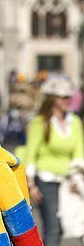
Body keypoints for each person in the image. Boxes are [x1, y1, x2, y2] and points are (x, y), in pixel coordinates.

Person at [25, 76, 84, 246]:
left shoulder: (75, 122)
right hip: (46, 180)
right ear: (53, 98)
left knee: (71, 227)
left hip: (69, 180)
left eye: (68, 97)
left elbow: (79, 153)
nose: (67, 100)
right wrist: (31, 185)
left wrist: (76, 178)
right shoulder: (40, 122)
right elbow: (31, 154)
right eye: (63, 97)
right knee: (52, 228)